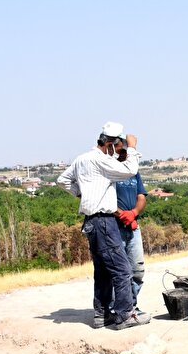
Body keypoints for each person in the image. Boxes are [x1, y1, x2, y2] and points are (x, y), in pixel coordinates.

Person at [58, 123, 149, 330]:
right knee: (123, 270)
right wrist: (133, 149)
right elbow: (129, 170)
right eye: (118, 148)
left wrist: (83, 194)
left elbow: (62, 180)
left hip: (91, 222)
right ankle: (125, 315)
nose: (118, 152)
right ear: (109, 144)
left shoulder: (82, 159)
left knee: (103, 271)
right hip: (104, 221)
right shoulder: (100, 160)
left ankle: (102, 315)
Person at [112, 170, 147, 315]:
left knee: (137, 270)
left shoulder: (134, 171)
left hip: (133, 227)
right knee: (118, 271)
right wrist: (122, 215)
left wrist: (133, 214)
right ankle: (116, 308)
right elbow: (104, 199)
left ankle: (131, 305)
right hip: (114, 227)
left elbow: (141, 197)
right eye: (122, 146)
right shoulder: (109, 168)